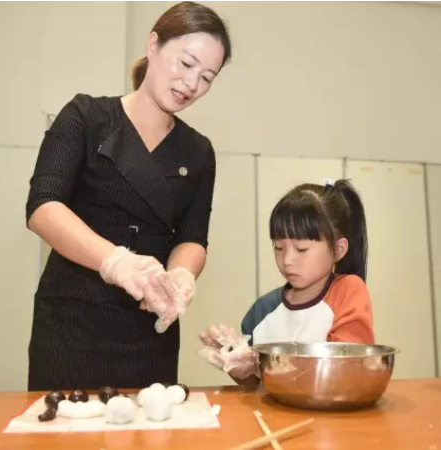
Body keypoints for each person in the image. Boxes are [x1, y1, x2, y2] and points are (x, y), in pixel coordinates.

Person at [25, 1, 232, 391]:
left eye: (207, 77)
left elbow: (192, 236)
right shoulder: (87, 117)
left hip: (150, 326)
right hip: (73, 320)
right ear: (153, 44)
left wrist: (181, 276)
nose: (192, 84)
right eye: (186, 64)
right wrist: (116, 262)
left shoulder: (198, 151)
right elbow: (43, 206)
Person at [199, 179, 374, 386]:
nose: (287, 260)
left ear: (338, 249)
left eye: (301, 249)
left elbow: (347, 369)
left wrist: (262, 366)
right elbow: (255, 387)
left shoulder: (348, 291)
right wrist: (234, 361)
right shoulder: (263, 309)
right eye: (278, 248)